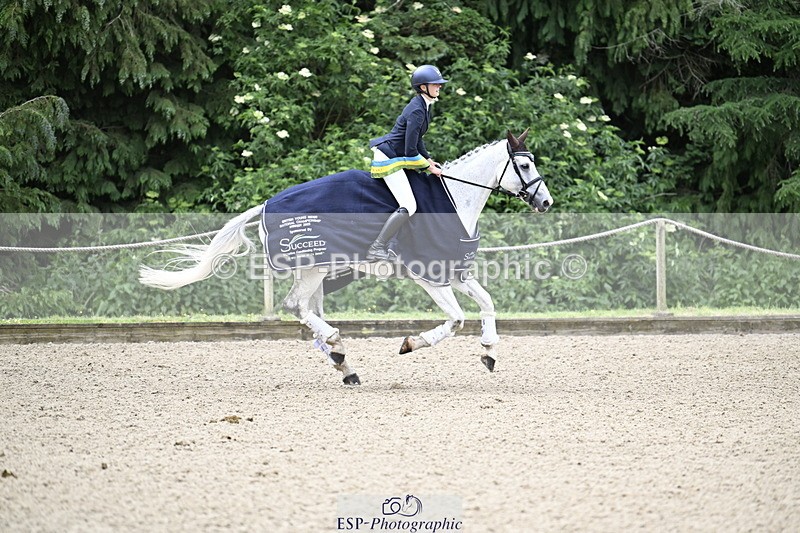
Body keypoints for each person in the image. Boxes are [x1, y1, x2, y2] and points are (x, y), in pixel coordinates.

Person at [366, 64, 448, 261]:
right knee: (409, 205)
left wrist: (427, 158)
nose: (439, 87)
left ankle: (398, 244)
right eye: (435, 84)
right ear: (422, 87)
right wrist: (429, 168)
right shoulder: (417, 110)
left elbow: (417, 139)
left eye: (439, 84)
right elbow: (410, 150)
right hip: (389, 159)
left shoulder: (423, 106)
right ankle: (376, 248)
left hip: (399, 155)